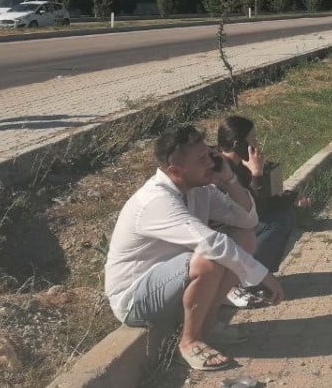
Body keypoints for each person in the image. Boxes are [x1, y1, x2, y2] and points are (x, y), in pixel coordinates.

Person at [104, 124, 285, 372]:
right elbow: (211, 243)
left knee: (245, 239)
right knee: (207, 259)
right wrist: (262, 275)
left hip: (174, 282)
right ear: (175, 170)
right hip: (135, 299)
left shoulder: (200, 190)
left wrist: (230, 179)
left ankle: (207, 327)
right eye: (201, 160)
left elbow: (248, 221)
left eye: (209, 155)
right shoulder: (156, 201)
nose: (211, 163)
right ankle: (189, 342)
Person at [215, 115, 311, 308]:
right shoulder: (220, 169)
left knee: (284, 215)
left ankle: (260, 275)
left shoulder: (241, 164)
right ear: (238, 144)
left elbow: (264, 201)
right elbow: (252, 211)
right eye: (253, 140)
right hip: (223, 233)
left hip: (239, 226)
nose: (257, 145)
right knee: (275, 223)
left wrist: (291, 198)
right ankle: (243, 280)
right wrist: (257, 174)